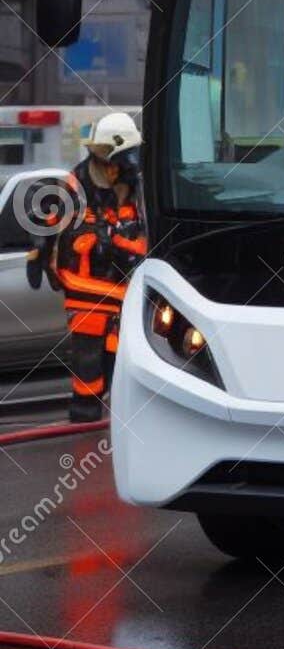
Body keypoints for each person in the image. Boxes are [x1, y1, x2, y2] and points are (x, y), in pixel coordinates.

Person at [54, 113, 145, 422]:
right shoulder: (76, 183)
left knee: (118, 353)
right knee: (88, 356)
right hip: (86, 288)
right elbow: (53, 221)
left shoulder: (136, 185)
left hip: (123, 287)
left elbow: (142, 235)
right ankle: (85, 411)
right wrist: (41, 249)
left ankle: (117, 410)